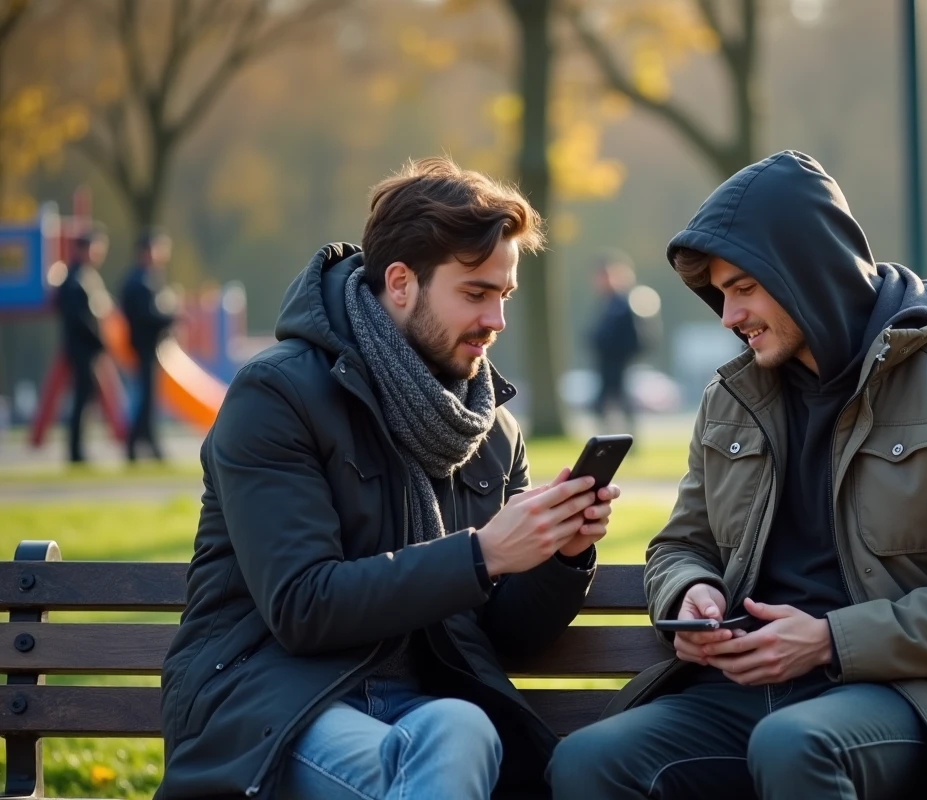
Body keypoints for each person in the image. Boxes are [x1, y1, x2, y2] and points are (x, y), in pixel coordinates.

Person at [550, 151, 927, 800]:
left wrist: (828, 641)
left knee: (794, 745)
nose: (728, 316)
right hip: (739, 691)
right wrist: (689, 592)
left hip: (910, 697)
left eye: (743, 288)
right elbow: (680, 545)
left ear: (806, 274)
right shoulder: (730, 399)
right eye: (721, 294)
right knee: (587, 761)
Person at [157, 157, 621, 800]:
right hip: (277, 702)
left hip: (424, 704)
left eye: (504, 295)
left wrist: (559, 554)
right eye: (475, 294)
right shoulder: (277, 396)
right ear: (401, 283)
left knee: (463, 727)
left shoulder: (489, 430)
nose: (497, 320)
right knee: (425, 758)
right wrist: (483, 554)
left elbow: (502, 637)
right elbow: (302, 606)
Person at [120, 228, 176, 462]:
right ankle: (138, 445)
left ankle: (143, 445)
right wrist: (171, 317)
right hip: (144, 346)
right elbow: (145, 315)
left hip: (151, 346)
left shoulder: (150, 278)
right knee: (145, 399)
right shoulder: (138, 281)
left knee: (148, 398)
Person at [55, 226, 109, 464]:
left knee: (85, 399)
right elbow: (78, 318)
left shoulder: (87, 275)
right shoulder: (75, 278)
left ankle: (79, 448)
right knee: (80, 399)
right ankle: (75, 450)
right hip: (81, 348)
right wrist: (99, 340)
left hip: (88, 348)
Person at [589, 251, 642, 434]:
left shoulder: (622, 304)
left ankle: (625, 438)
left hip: (619, 364)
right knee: (606, 405)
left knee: (620, 404)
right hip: (607, 364)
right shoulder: (607, 303)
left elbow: (633, 337)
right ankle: (611, 437)